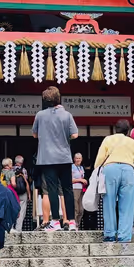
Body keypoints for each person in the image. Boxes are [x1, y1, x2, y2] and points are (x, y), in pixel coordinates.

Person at [93, 119, 134, 243]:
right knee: (127, 205)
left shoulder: (108, 139)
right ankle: (124, 236)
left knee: (109, 203)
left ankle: (109, 235)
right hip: (128, 170)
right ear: (128, 131)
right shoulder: (131, 142)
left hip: (110, 169)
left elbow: (99, 160)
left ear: (115, 129)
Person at [32, 86, 78, 232]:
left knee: (51, 190)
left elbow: (34, 134)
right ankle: (71, 222)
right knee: (67, 189)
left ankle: (55, 222)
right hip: (64, 156)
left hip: (47, 158)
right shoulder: (67, 115)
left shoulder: (40, 115)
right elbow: (75, 135)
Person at [13, 156, 29, 231]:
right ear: (22, 162)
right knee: (21, 211)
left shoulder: (11, 170)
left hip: (13, 193)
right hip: (23, 193)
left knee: (12, 210)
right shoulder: (24, 170)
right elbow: (26, 183)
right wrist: (29, 194)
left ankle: (11, 228)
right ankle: (18, 229)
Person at [71, 153, 87, 230]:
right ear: (74, 159)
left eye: (79, 158)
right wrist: (80, 180)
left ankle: (78, 224)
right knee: (76, 208)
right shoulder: (72, 167)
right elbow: (70, 180)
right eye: (76, 158)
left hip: (82, 189)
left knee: (81, 209)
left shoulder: (81, 168)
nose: (78, 160)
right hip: (74, 189)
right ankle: (74, 225)